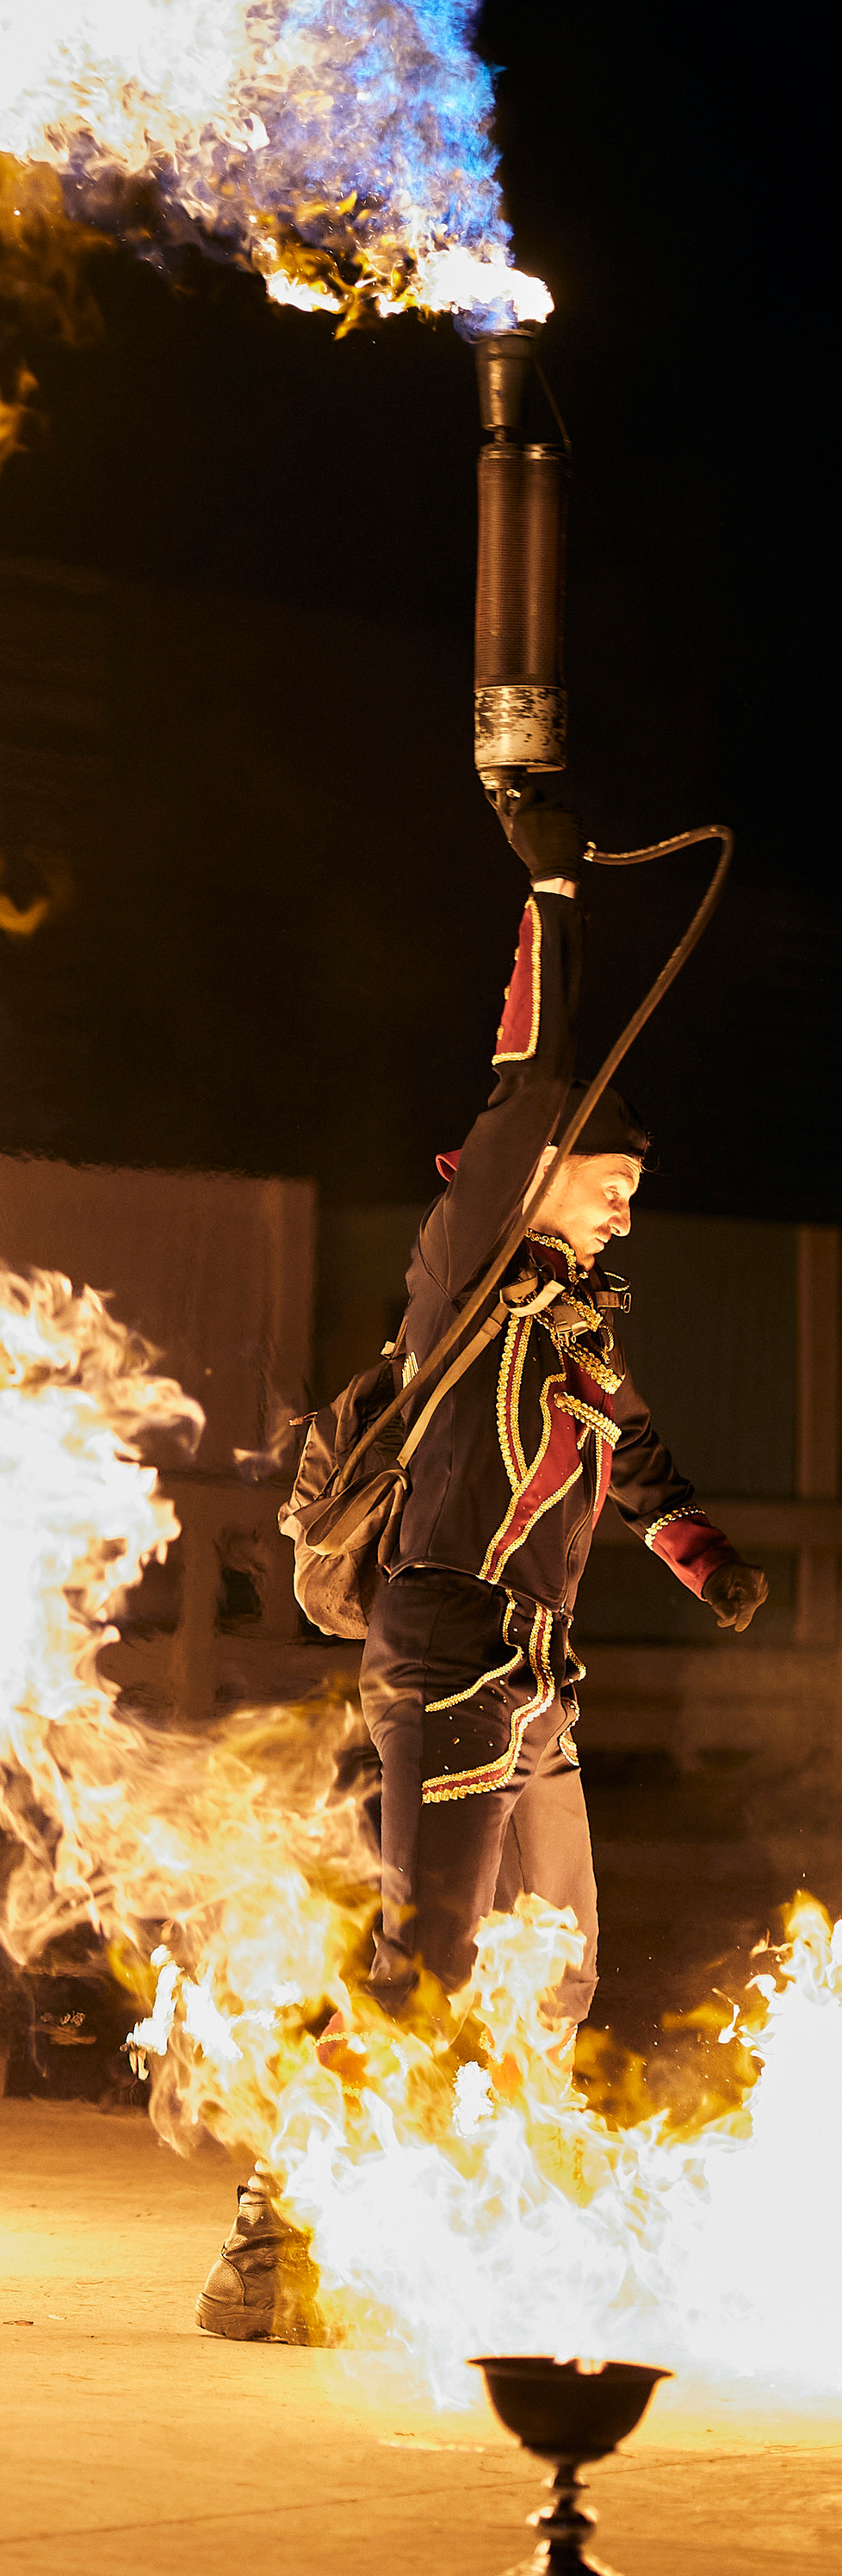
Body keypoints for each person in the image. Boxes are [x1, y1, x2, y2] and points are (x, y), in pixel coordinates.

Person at [197, 796, 766, 2343]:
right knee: (428, 1964)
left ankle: (496, 2221)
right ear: (535, 1172)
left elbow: (638, 1465)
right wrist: (554, 887)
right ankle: (269, 2235)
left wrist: (707, 1564)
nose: (628, 1190)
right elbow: (529, 1078)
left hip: (534, 1676)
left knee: (555, 1966)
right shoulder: (469, 1273)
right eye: (608, 1168)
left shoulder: (577, 1328)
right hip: (449, 1651)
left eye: (634, 1176)